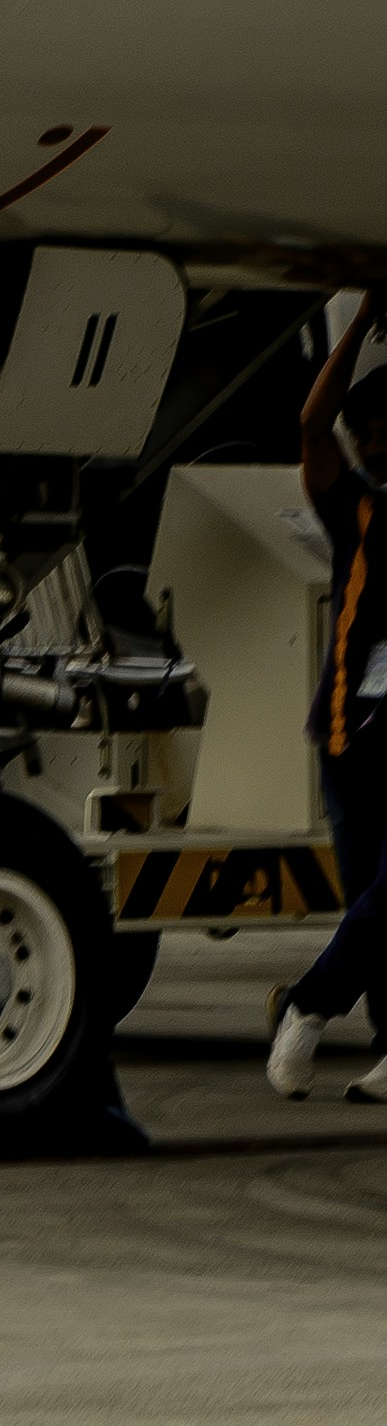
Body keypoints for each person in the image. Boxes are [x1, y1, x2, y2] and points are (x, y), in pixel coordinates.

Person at [267, 294, 387, 1100]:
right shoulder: (358, 509)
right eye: (363, 437)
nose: (360, 444)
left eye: (371, 435)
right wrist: (357, 323)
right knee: (371, 907)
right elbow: (312, 424)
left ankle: (307, 1007)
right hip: (349, 734)